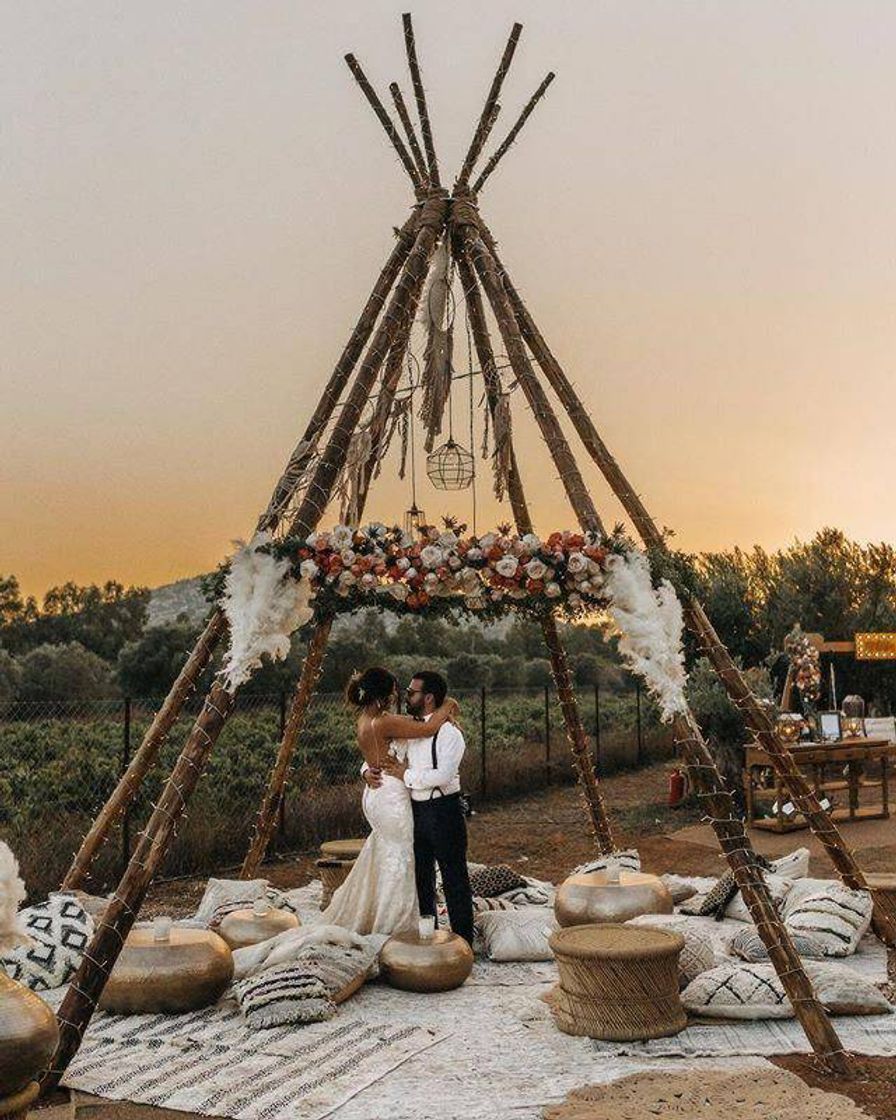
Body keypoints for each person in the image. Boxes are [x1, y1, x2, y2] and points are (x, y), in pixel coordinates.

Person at [321, 666, 458, 936]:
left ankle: (378, 913)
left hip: (375, 794)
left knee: (386, 855)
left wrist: (364, 772)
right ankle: (397, 927)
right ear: (382, 694)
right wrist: (449, 704)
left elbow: (373, 756)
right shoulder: (384, 722)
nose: (398, 694)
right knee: (402, 858)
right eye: (394, 689)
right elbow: (430, 727)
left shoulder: (364, 719)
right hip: (391, 796)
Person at [367, 670, 475, 946]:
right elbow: (382, 756)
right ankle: (430, 938)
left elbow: (443, 776)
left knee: (454, 878)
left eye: (412, 692)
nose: (406, 695)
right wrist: (365, 772)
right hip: (415, 813)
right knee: (422, 880)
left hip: (444, 811)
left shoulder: (450, 734)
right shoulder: (409, 729)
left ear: (428, 697)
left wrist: (406, 775)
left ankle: (463, 942)